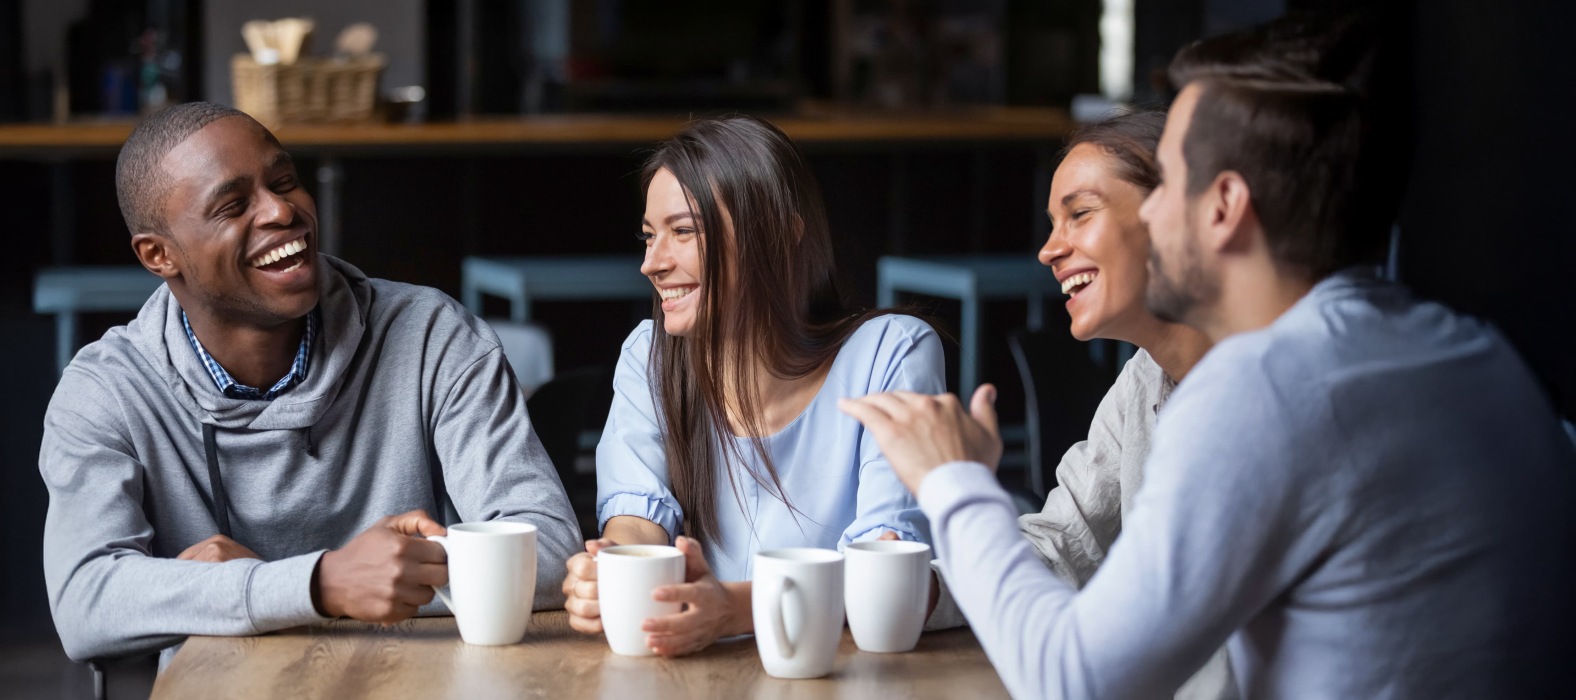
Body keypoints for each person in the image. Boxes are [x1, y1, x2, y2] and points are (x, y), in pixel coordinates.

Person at [840, 34, 1576, 700]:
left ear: (1224, 204)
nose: (1153, 217)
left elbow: (1073, 678)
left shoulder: (1266, 387)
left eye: (1168, 184)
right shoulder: (1479, 354)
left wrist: (954, 482)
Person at [39, 102, 583, 664]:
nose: (281, 210)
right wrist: (322, 584)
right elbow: (86, 604)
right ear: (160, 255)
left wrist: (283, 587)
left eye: (285, 181)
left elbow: (547, 547)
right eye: (232, 206)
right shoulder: (105, 392)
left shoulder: (433, 337)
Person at [560, 116, 958, 656]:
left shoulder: (890, 355)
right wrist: (615, 570)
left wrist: (735, 608)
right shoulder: (650, 358)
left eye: (683, 232)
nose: (651, 263)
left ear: (779, 234)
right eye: (650, 236)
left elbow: (885, 573)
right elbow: (636, 521)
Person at [1026, 110, 1233, 700]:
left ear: (1175, 212)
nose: (1049, 249)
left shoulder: (1260, 397)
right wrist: (920, 588)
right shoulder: (1146, 377)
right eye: (1052, 223)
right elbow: (1064, 542)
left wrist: (956, 488)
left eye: (1079, 214)